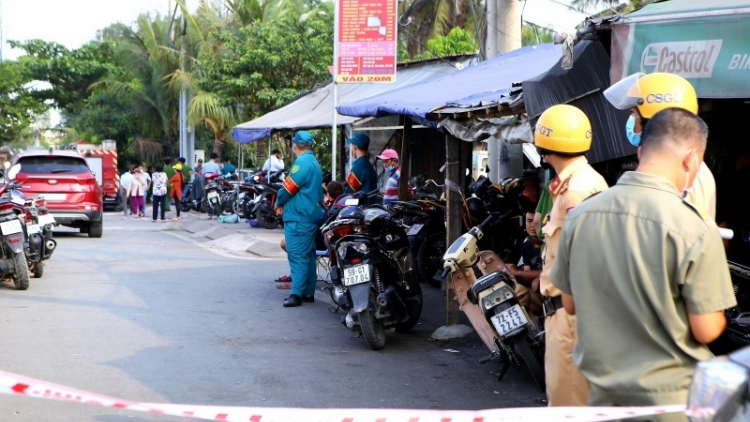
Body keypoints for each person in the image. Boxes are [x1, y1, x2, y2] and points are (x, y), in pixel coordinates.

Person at [551, 108, 735, 415]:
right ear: (691, 160)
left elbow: (570, 305)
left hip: (603, 397)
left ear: (640, 152)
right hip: (671, 401)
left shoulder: (580, 216)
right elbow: (706, 330)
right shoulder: (695, 226)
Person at [534, 104, 609, 406]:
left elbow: (587, 259)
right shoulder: (580, 182)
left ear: (545, 142)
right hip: (572, 312)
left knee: (568, 406)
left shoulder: (574, 192)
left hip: (571, 316)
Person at [605, 72, 717, 220]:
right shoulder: (687, 165)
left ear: (655, 121)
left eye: (633, 113)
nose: (632, 120)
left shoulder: (682, 173)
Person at [274, 131, 324, 307]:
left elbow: (288, 188)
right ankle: (308, 292)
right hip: (310, 215)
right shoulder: (314, 162)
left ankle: (296, 294)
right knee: (308, 254)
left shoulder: (302, 163)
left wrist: (278, 202)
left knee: (297, 254)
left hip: (299, 216)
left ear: (295, 145)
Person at [276, 180, 345, 288]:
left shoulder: (325, 210)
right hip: (332, 243)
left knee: (285, 243)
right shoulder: (343, 208)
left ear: (328, 194)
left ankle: (298, 275)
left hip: (318, 242)